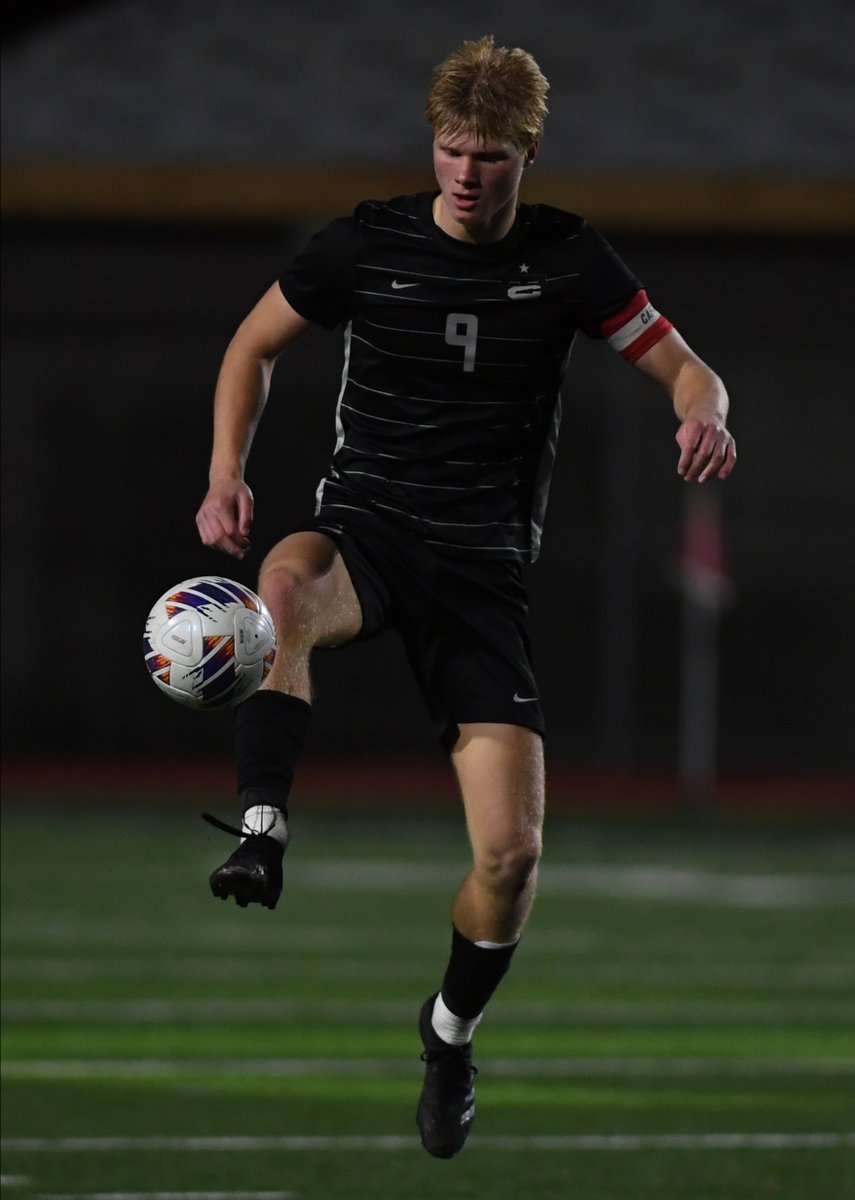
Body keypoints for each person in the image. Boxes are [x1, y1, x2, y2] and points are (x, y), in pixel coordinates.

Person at [195, 34, 736, 1159]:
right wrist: (225, 476)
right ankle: (260, 828)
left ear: (528, 152)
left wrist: (703, 410)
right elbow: (252, 346)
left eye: (488, 157)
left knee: (511, 858)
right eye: (449, 151)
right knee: (284, 584)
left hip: (483, 573)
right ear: (429, 145)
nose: (465, 174)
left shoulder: (570, 260)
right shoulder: (367, 242)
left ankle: (448, 1033)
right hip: (372, 530)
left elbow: (689, 366)